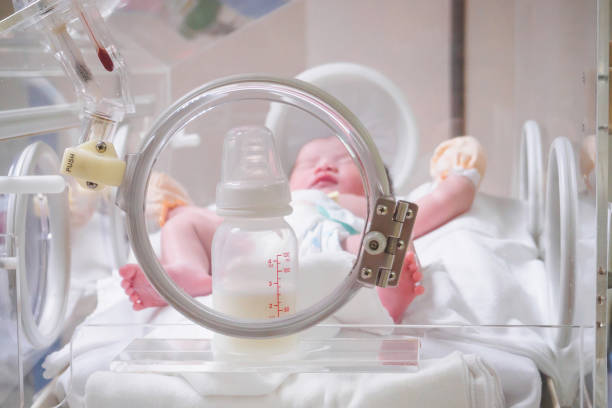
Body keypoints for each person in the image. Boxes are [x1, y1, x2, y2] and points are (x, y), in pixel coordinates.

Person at [120, 135, 486, 322]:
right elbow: (206, 219)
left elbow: (434, 206)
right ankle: (188, 274)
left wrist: (460, 176)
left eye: (344, 161)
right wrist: (179, 209)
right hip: (260, 245)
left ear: (378, 185)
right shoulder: (276, 201)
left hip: (339, 251)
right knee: (185, 221)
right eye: (308, 162)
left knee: (391, 231)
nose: (324, 166)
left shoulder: (363, 206)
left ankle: (387, 294)